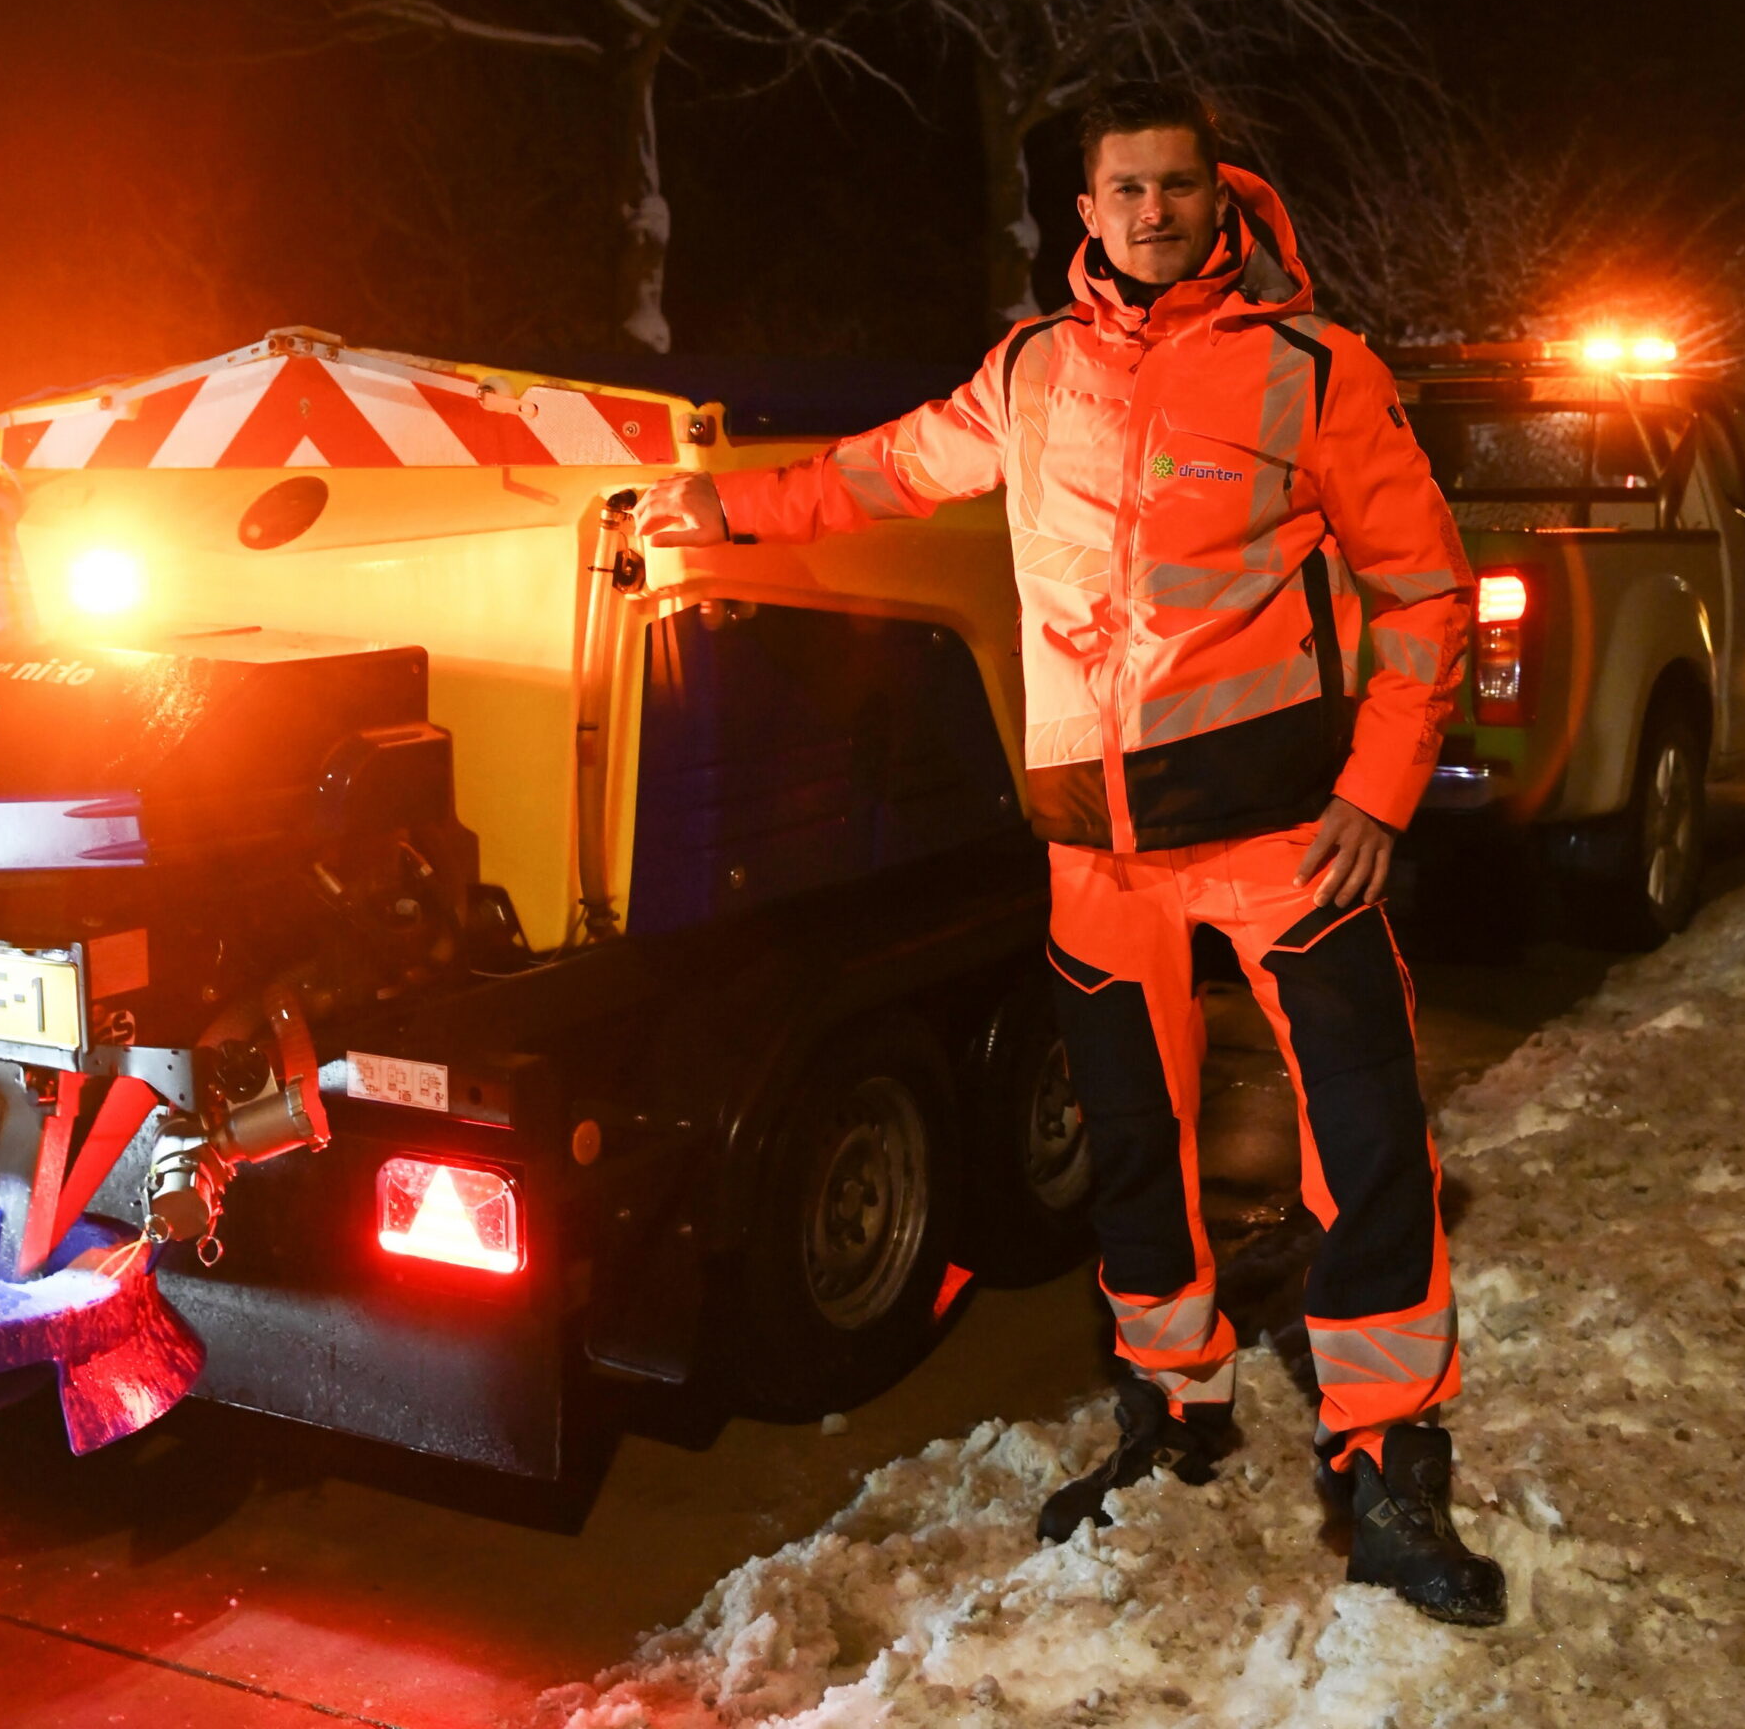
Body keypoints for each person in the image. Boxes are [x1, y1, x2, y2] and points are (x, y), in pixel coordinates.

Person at [636, 82, 1504, 1627]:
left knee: (1366, 1133)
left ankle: (1388, 1456)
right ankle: (1175, 1410)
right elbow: (883, 469)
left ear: (1219, 199)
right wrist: (728, 510)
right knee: (1131, 1138)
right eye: (1126, 190)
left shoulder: (1314, 368)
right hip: (1097, 851)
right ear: (1086, 212)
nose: (1154, 212)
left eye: (1179, 186)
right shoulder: (1031, 370)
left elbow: (1426, 592)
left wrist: (1379, 795)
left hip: (1284, 834)